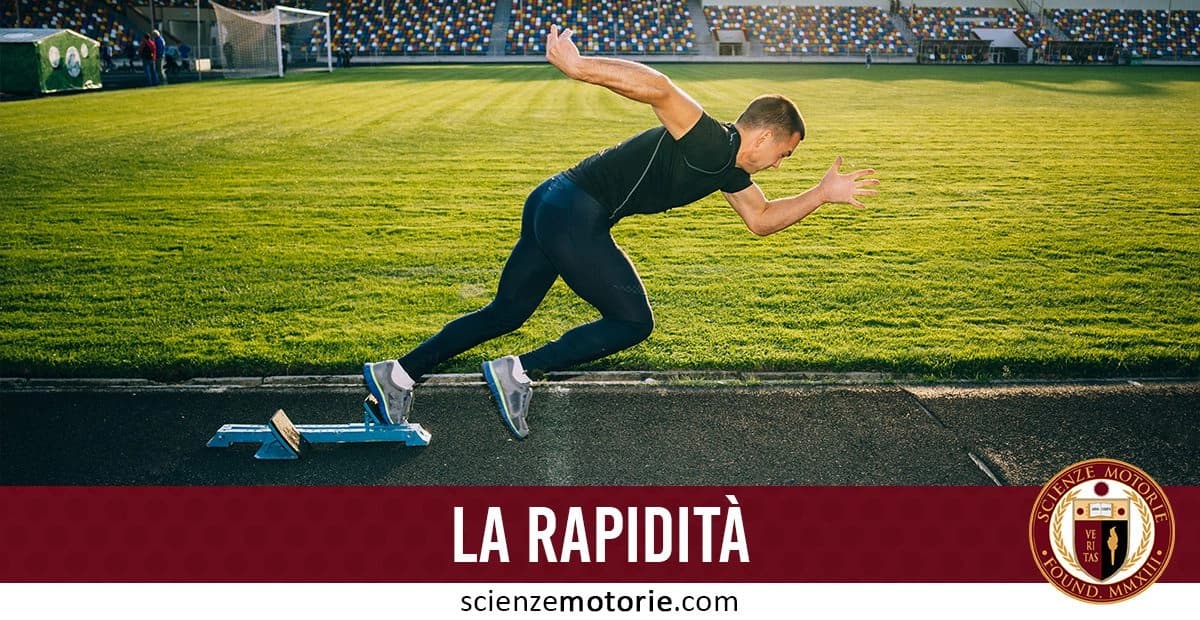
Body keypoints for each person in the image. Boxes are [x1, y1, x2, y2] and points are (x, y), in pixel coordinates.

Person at [362, 25, 879, 440]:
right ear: (765, 135)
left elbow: (761, 221)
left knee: (507, 311)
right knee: (632, 321)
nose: (780, 164)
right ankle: (518, 373)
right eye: (784, 154)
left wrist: (821, 194)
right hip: (574, 213)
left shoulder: (725, 167)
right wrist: (580, 66)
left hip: (553, 200)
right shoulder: (712, 143)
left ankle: (398, 375)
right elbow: (660, 89)